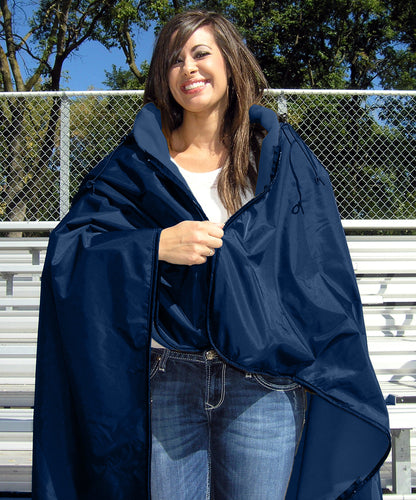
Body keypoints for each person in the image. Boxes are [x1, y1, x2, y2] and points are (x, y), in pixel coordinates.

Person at [33, 10, 390, 500]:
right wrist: (154, 245)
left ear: (230, 62)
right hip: (167, 383)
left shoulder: (280, 158)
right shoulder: (132, 165)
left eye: (201, 53)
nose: (189, 68)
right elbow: (72, 251)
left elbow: (318, 269)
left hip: (262, 385)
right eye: (174, 60)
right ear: (163, 77)